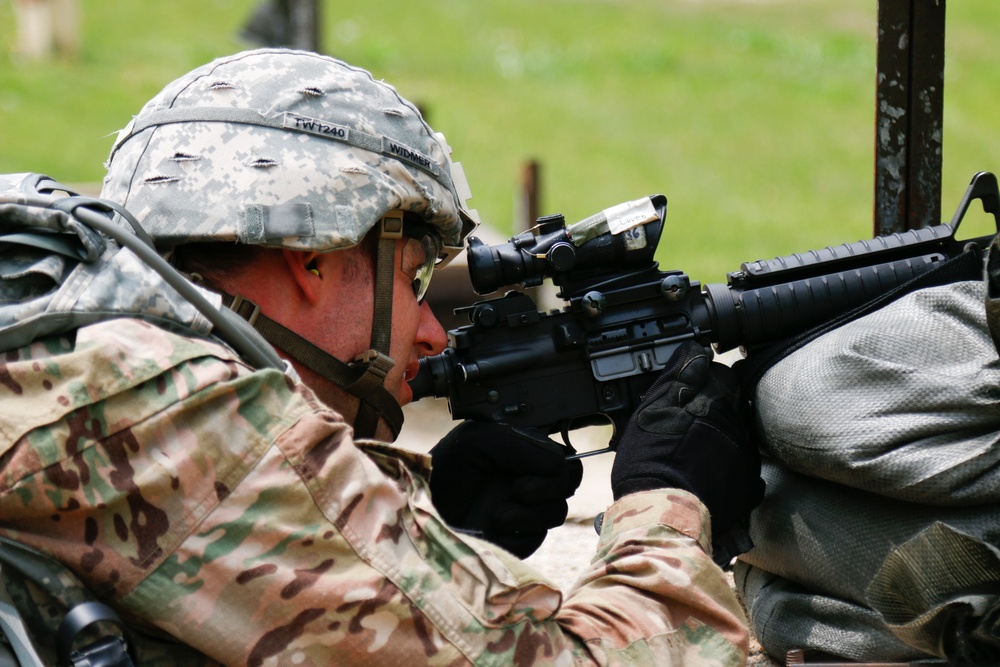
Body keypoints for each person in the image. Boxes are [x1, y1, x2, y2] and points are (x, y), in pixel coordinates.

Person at [0, 48, 762, 665]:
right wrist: (665, 503)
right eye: (412, 276)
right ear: (314, 259)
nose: (430, 330)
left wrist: (423, 521)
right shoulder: (184, 409)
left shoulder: (74, 352)